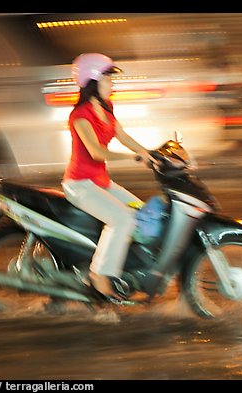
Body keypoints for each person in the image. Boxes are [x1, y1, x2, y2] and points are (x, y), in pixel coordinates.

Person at [61, 53, 155, 300]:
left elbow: (122, 136)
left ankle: (129, 271)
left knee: (141, 214)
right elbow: (96, 151)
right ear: (93, 80)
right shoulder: (79, 116)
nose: (112, 84)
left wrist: (150, 153)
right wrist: (132, 158)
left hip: (101, 182)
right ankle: (99, 276)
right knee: (122, 220)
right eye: (108, 79)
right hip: (80, 185)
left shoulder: (107, 108)